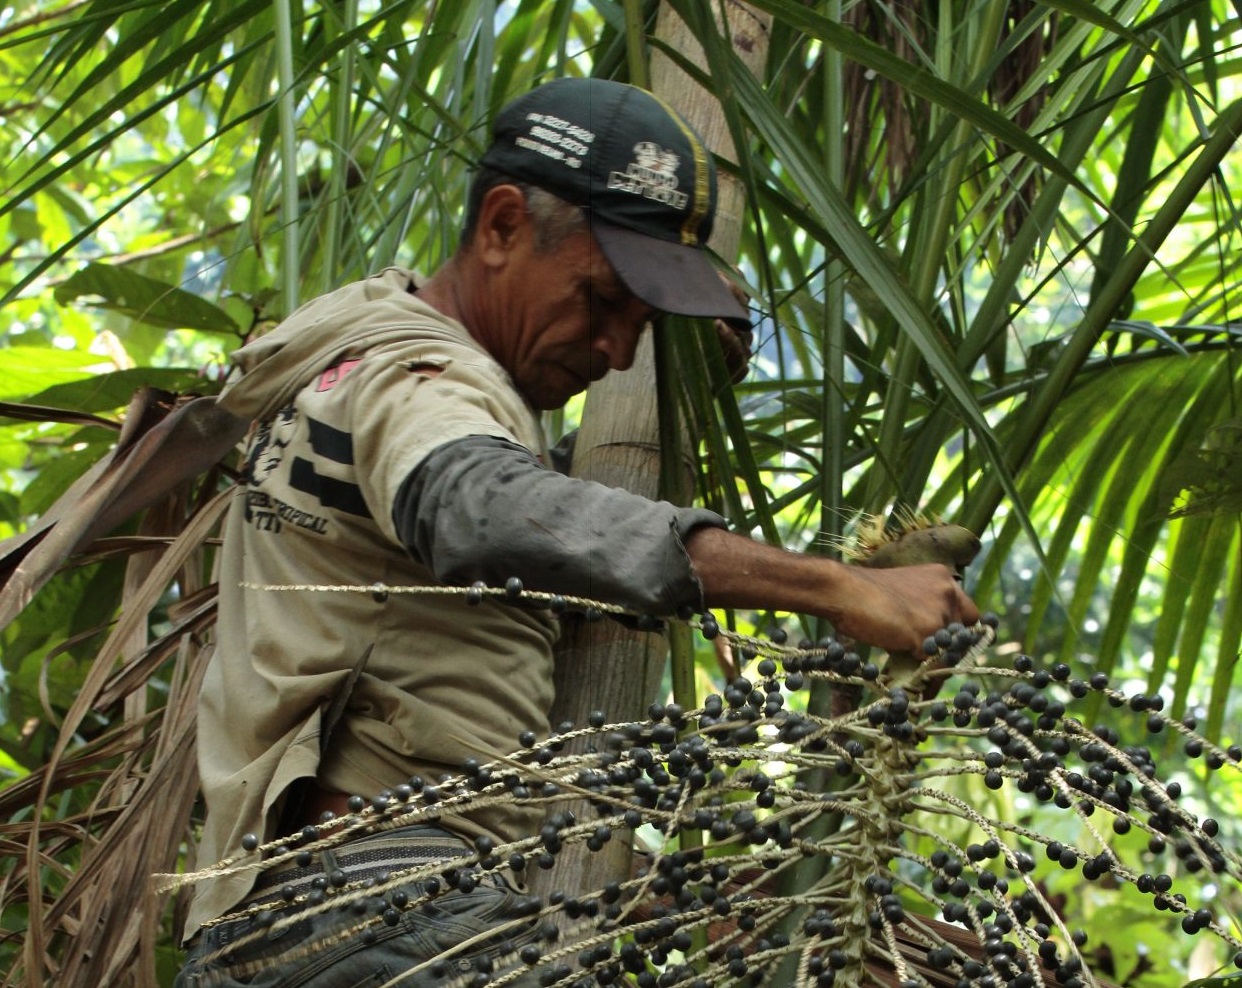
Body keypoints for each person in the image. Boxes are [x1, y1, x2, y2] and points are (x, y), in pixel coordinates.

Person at [176, 77, 978, 987]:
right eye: (601, 300)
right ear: (502, 226)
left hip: (313, 923)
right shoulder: (423, 372)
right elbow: (476, 506)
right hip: (374, 908)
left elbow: (486, 523)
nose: (619, 352)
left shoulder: (354, 357)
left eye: (641, 324)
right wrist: (840, 586)